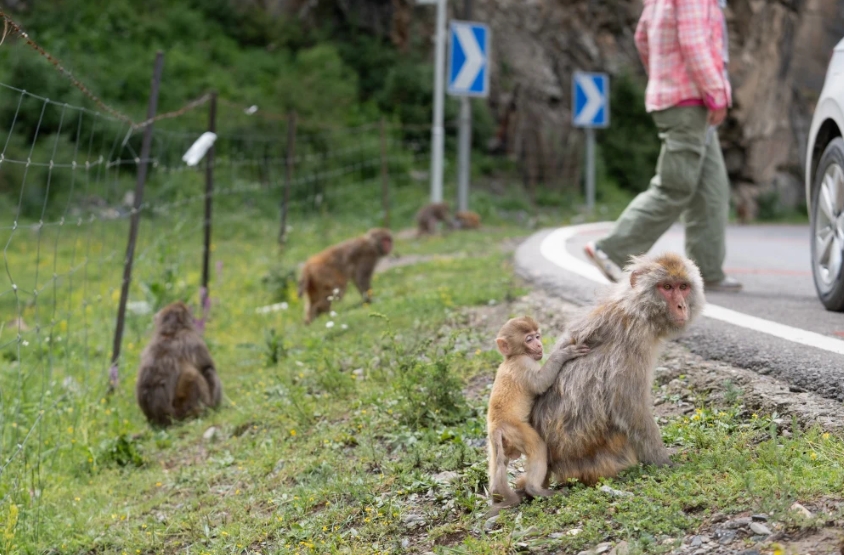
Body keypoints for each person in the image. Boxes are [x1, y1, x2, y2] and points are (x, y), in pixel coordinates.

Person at [584, 0, 742, 292]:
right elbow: (695, 44)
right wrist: (716, 93)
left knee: (712, 189)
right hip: (690, 101)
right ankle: (612, 249)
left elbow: (642, 37)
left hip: (684, 99)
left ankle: (706, 271)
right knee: (675, 186)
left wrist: (662, 76)